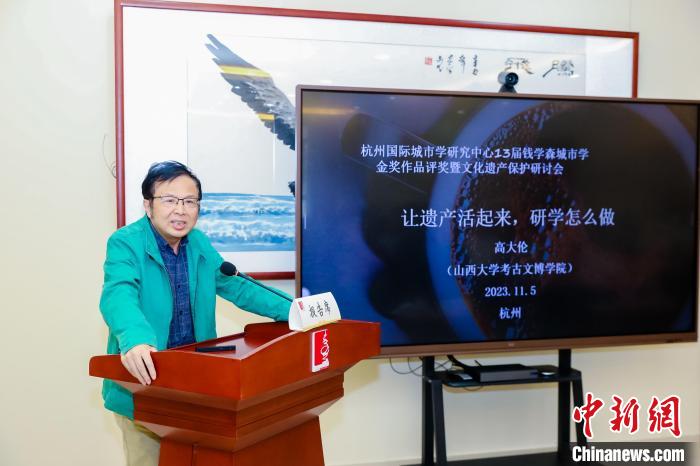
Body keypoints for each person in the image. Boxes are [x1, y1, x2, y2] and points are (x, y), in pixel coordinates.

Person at [99, 161, 290, 466]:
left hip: (196, 387)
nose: (181, 210)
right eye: (169, 200)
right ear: (148, 205)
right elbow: (118, 295)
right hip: (145, 387)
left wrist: (294, 310)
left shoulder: (198, 242)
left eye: (190, 202)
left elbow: (237, 286)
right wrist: (135, 339)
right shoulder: (125, 243)